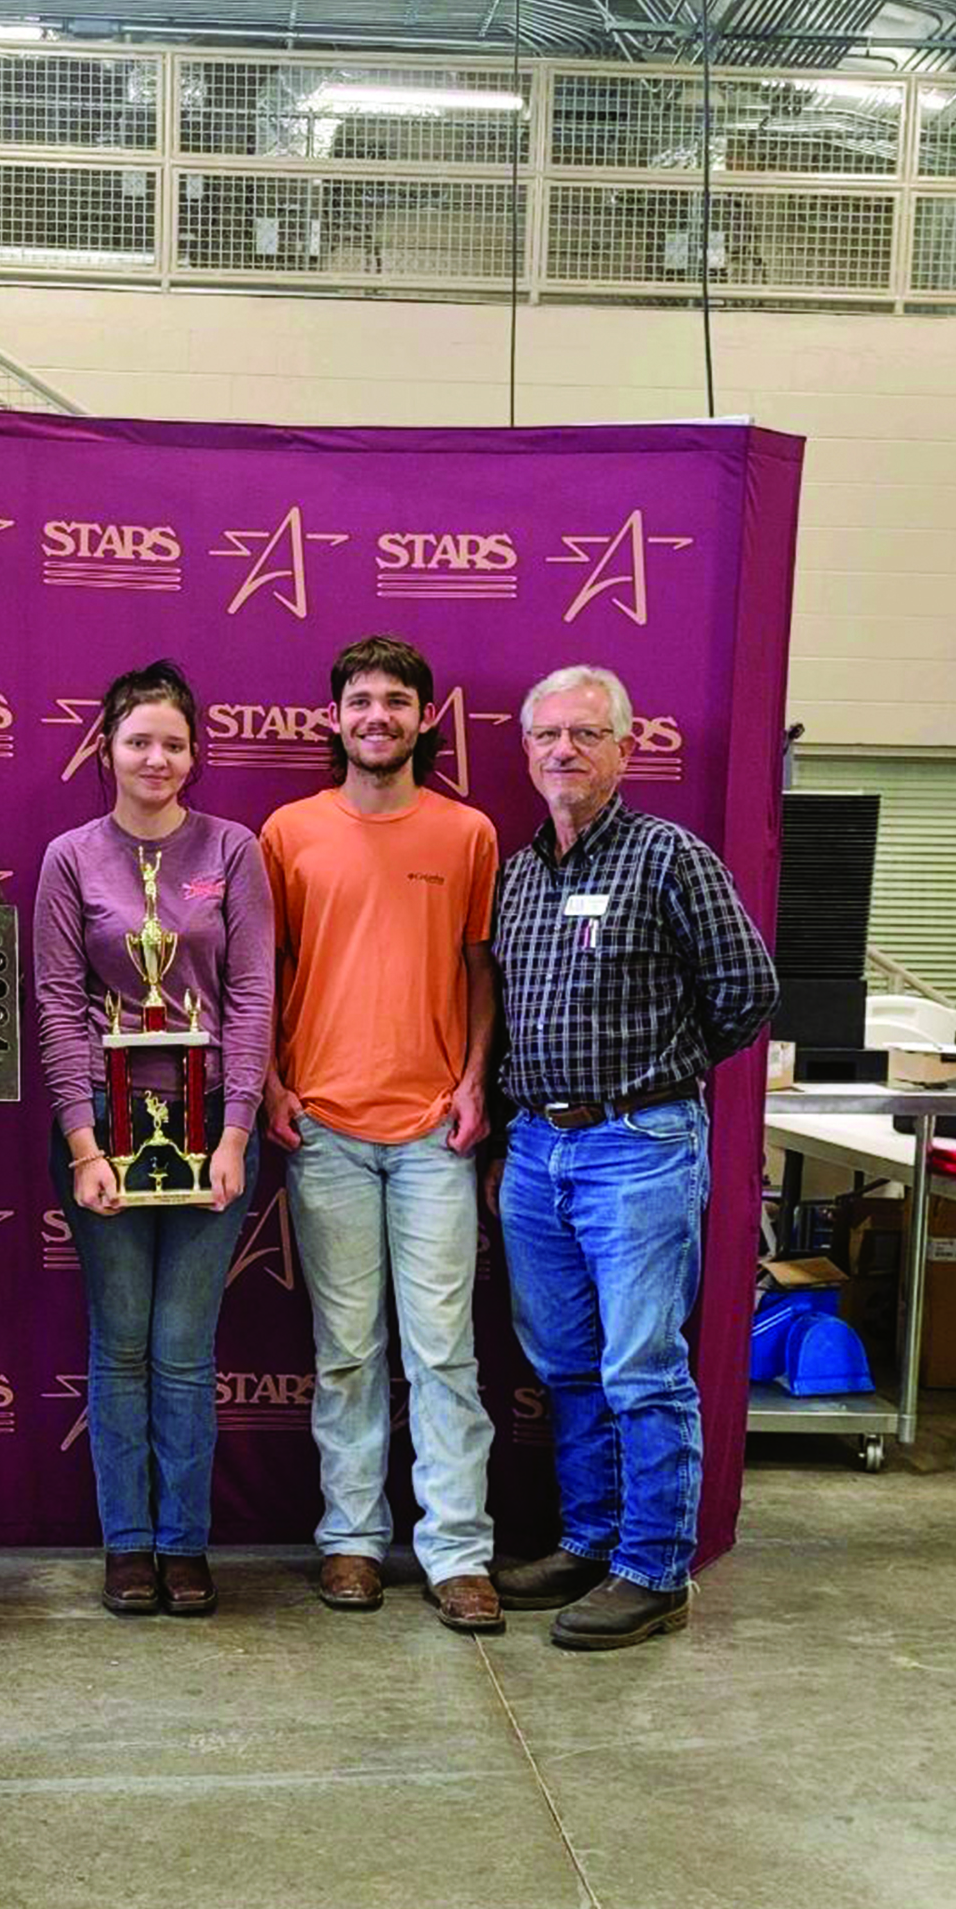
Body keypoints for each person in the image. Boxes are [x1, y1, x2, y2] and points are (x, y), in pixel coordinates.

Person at [491, 663, 778, 1651]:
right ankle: (590, 1541)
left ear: (626, 746)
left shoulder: (670, 859)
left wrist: (661, 1080)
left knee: (643, 1366)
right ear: (525, 751)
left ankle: (654, 1571)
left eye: (583, 733)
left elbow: (747, 989)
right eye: (545, 736)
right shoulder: (520, 874)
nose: (562, 750)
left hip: (639, 1145)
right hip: (536, 1149)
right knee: (569, 1365)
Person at [260, 635, 503, 1635]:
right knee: (347, 1354)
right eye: (359, 701)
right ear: (334, 719)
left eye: (395, 702)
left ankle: (457, 1551)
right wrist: (272, 1082)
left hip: (434, 1133)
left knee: (444, 1354)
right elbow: (259, 972)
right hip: (323, 1128)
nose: (376, 717)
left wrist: (475, 1082)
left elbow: (481, 969)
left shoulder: (468, 834)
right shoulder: (286, 833)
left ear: (423, 718)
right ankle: (352, 1543)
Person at [33, 661, 273, 1618]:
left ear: (194, 753)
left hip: (210, 1122)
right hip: (107, 1123)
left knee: (183, 1344)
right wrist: (84, 1144)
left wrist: (239, 1129)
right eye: (138, 741)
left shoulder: (236, 849)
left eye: (174, 742)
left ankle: (185, 1542)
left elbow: (253, 996)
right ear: (106, 749)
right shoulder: (69, 857)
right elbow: (54, 1003)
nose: (157, 758)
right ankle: (127, 1544)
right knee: (120, 1341)